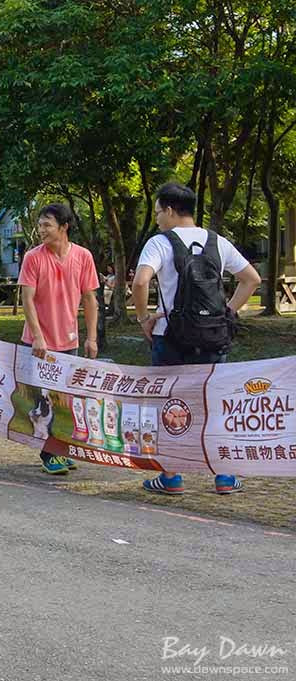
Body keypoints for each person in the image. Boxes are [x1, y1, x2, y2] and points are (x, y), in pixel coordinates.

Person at [132, 182, 261, 495]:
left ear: (173, 210)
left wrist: (143, 319)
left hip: (170, 338)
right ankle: (224, 477)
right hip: (212, 337)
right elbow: (251, 279)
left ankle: (172, 477)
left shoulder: (160, 242)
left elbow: (140, 282)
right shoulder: (217, 241)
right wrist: (227, 313)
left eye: (159, 212)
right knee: (213, 406)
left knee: (168, 405)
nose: (158, 218)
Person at [19, 203, 100, 475]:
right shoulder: (33, 257)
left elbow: (89, 298)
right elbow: (27, 299)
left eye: (47, 225)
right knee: (44, 399)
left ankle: (59, 448)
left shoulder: (83, 256)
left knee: (66, 400)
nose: (41, 230)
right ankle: (48, 452)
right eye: (40, 225)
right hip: (40, 342)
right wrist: (38, 336)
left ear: (64, 227)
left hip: (70, 341)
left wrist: (91, 337)